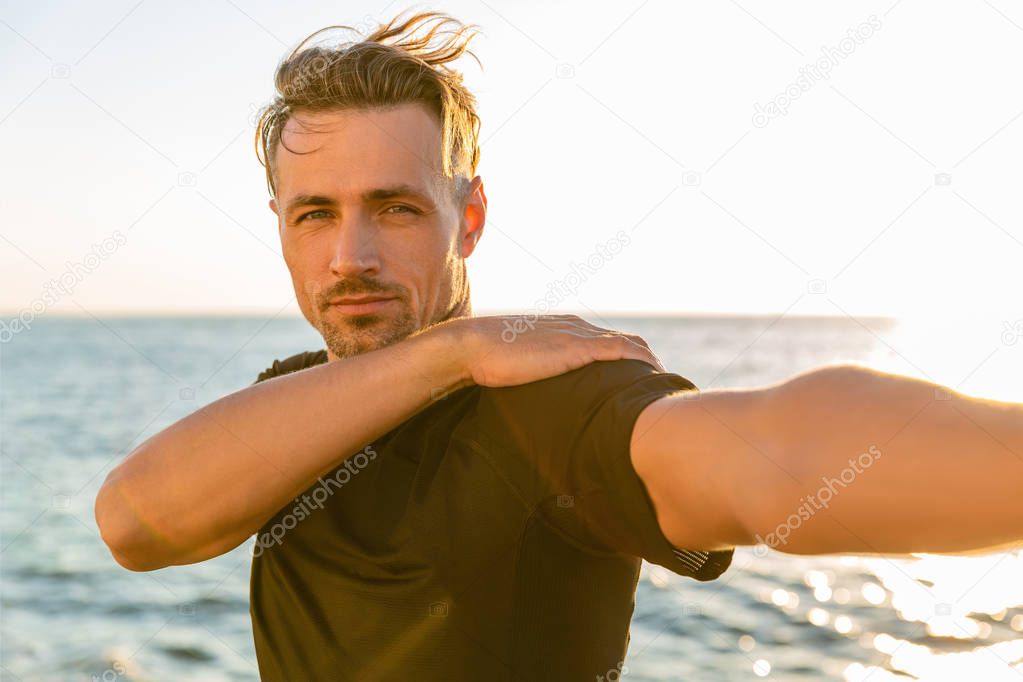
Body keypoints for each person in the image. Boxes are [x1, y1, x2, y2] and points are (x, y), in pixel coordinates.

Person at [94, 11, 1023, 681]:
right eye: (315, 215)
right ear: (279, 227)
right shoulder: (298, 399)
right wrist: (449, 352)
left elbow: (774, 453)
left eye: (396, 207)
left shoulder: (549, 400)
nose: (351, 257)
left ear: (470, 217)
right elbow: (137, 523)